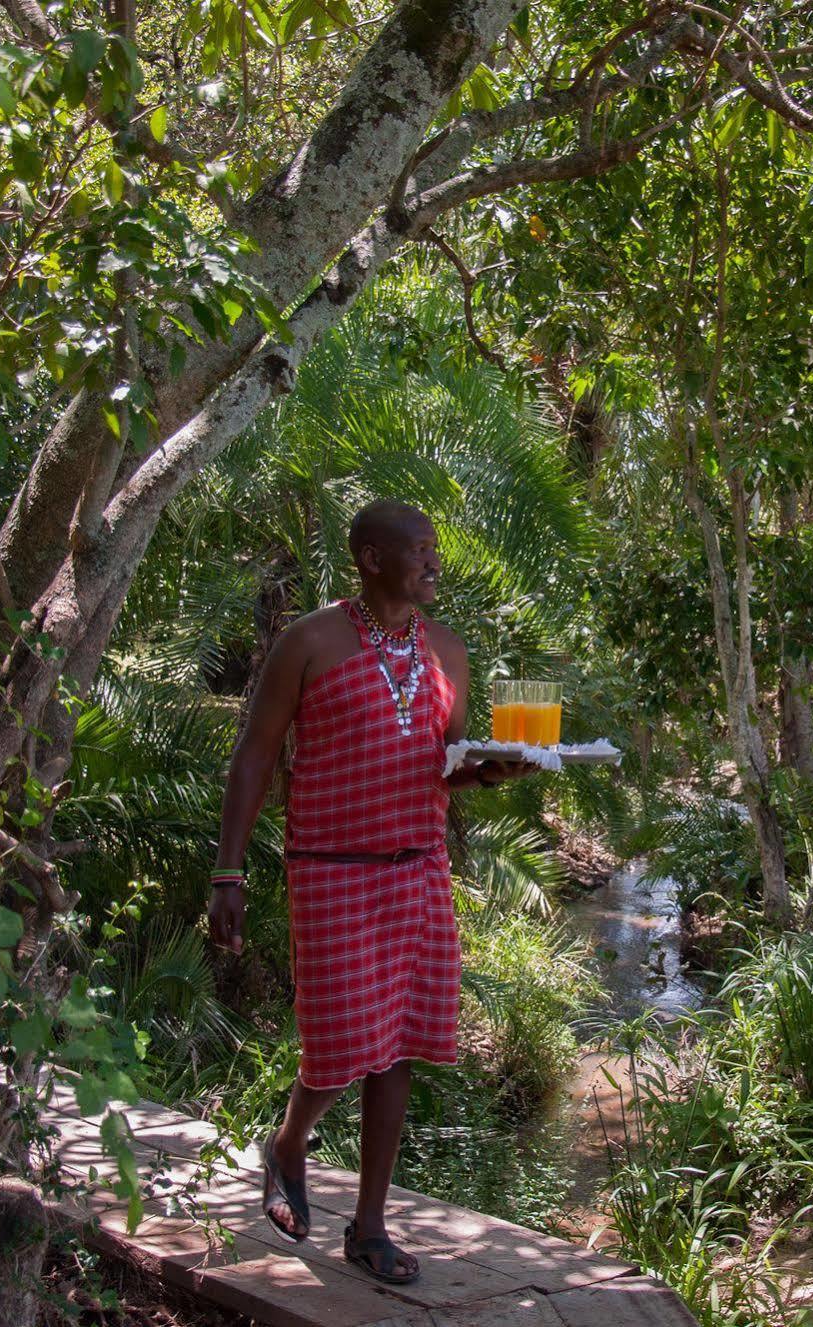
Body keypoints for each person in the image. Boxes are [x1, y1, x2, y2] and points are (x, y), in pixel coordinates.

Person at [206, 498, 534, 1285]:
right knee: (340, 1042)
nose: (433, 563)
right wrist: (228, 869)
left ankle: (370, 1225)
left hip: (418, 866)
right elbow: (255, 754)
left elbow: (446, 757)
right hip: (328, 866)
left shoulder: (447, 650)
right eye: (418, 549)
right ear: (370, 558)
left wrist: (485, 770)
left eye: (434, 550)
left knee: (400, 1049)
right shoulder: (309, 641)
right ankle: (289, 1143)